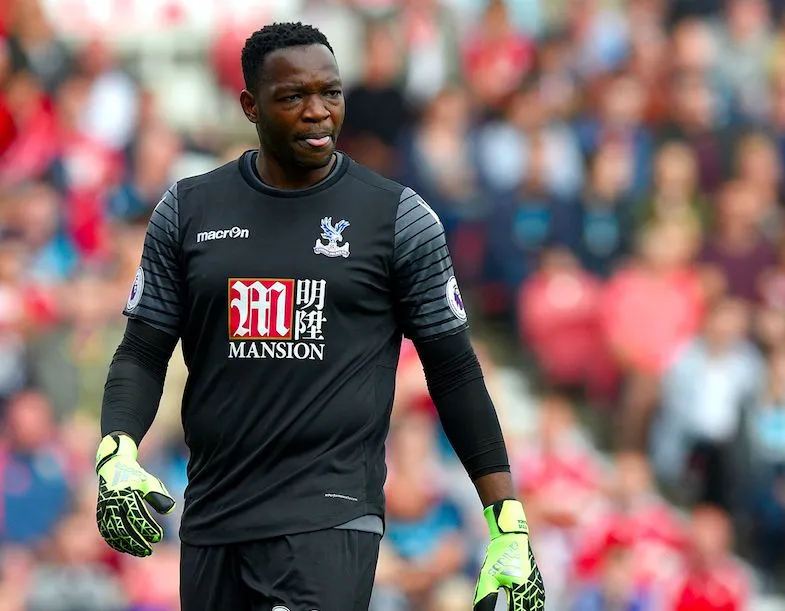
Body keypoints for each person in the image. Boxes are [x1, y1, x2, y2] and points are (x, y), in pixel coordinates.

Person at [92, 22, 545, 611]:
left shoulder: (397, 220)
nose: (317, 112)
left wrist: (507, 522)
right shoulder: (187, 210)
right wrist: (116, 451)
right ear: (250, 106)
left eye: (330, 93)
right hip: (214, 519)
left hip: (330, 519)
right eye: (293, 97)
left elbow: (455, 372)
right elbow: (141, 352)